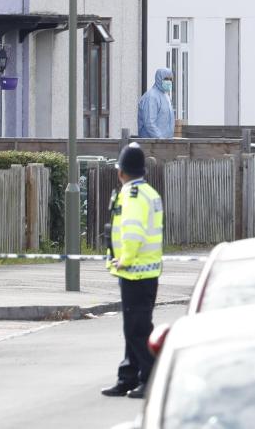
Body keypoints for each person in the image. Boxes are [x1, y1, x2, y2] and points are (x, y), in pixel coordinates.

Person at [101, 143, 164, 400]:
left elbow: (133, 231)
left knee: (137, 330)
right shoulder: (149, 192)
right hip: (144, 273)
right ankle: (127, 377)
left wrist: (124, 260)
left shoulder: (133, 195)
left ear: (121, 172)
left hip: (135, 271)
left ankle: (149, 379)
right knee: (133, 328)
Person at [137, 68, 175, 139]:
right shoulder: (151, 97)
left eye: (170, 79)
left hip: (164, 144)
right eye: (166, 79)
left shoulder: (166, 97)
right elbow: (149, 123)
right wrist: (160, 139)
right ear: (159, 78)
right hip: (150, 145)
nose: (169, 81)